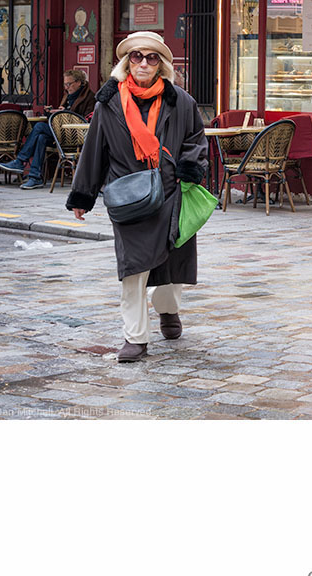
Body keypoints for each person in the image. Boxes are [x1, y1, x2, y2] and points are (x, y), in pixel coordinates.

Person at [67, 32, 208, 363]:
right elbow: (94, 151)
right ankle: (135, 337)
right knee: (132, 268)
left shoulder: (181, 101)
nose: (143, 63)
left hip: (171, 192)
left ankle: (167, 309)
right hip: (128, 196)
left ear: (161, 64)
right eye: (136, 56)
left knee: (172, 260)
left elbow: (196, 139)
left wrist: (189, 169)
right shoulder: (109, 103)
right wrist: (82, 196)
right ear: (126, 62)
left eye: (151, 57)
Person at [0, 68, 94, 189]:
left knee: (39, 127)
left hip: (75, 135)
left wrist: (65, 114)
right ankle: (35, 177)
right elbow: (64, 113)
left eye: (69, 84)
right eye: (65, 84)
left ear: (79, 82)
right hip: (61, 133)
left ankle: (21, 161)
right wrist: (55, 112)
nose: (66, 87)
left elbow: (86, 119)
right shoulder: (68, 96)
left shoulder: (90, 97)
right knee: (41, 137)